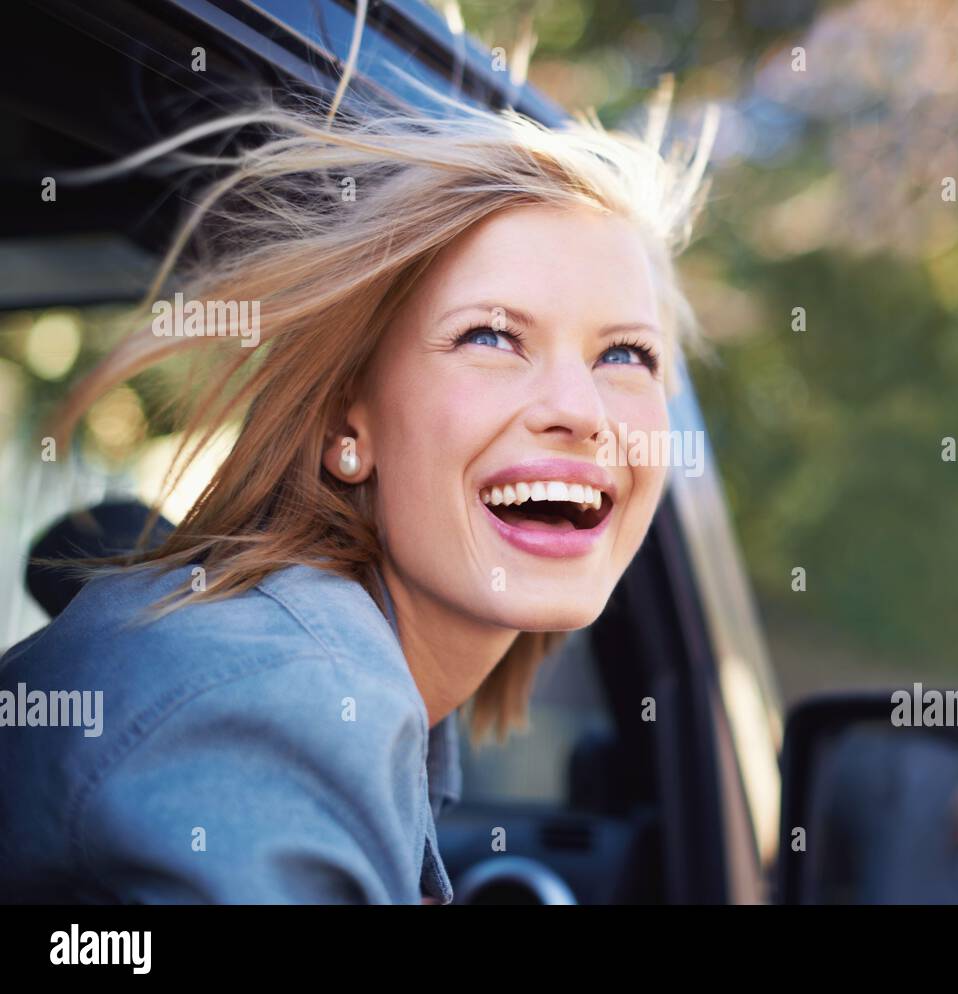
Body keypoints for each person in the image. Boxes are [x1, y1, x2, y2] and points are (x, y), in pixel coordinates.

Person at [0, 39, 716, 903]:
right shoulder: (284, 698)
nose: (582, 409)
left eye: (627, 354)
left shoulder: (325, 679)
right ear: (350, 423)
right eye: (490, 336)